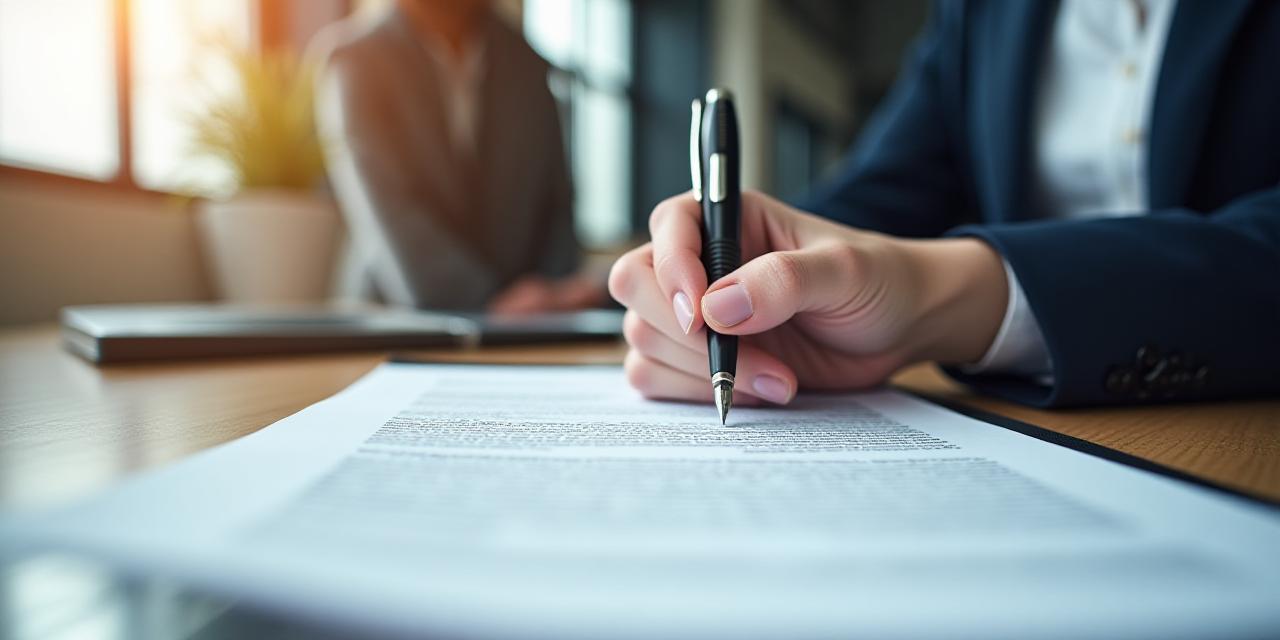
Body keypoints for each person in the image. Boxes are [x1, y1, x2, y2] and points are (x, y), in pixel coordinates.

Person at [609, 0, 1280, 408]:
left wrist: (962, 296)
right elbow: (881, 192)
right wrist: (722, 269)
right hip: (1017, 419)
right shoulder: (981, 10)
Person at [313, 0, 604, 312]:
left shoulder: (527, 61)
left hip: (531, 321)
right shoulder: (358, 59)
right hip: (400, 317)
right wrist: (488, 303)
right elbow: (387, 205)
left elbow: (556, 198)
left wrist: (553, 292)